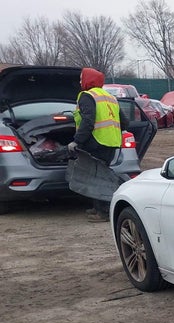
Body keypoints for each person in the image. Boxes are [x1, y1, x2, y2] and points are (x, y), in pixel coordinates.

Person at [68, 67, 126, 222]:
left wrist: (76, 141)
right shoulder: (109, 97)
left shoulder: (86, 96)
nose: (80, 81)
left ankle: (103, 213)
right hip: (111, 142)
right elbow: (124, 122)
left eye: (81, 78)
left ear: (88, 80)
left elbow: (88, 121)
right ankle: (99, 208)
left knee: (95, 176)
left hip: (96, 142)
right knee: (100, 175)